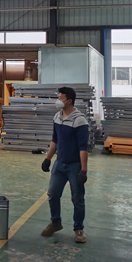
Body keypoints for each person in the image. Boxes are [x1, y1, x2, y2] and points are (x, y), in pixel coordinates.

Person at [40, 86, 89, 244]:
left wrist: (83, 169)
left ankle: (78, 229)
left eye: (60, 98)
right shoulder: (57, 117)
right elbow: (55, 140)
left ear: (69, 101)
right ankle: (55, 222)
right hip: (59, 164)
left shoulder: (79, 120)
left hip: (75, 166)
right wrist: (48, 159)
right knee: (53, 194)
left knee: (77, 198)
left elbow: (83, 148)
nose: (58, 100)